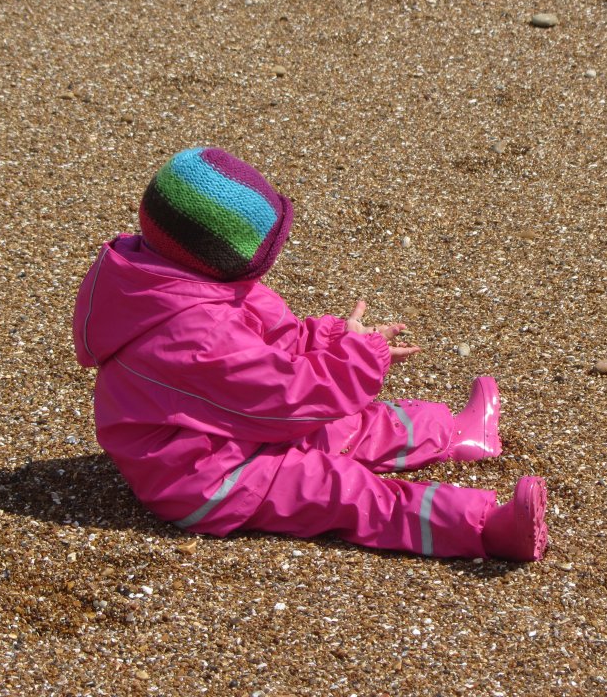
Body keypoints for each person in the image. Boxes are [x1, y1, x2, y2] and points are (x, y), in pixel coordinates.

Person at [72, 147, 548, 561]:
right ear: (225, 256)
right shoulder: (193, 329)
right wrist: (359, 361)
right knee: (343, 487)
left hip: (229, 433)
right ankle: (486, 529)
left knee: (347, 423)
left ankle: (456, 434)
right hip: (206, 476)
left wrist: (339, 341)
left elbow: (278, 344)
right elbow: (284, 402)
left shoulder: (164, 277)